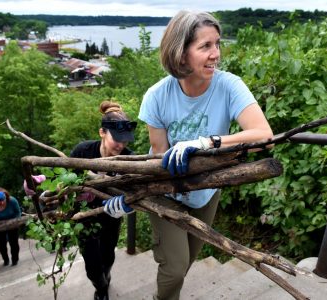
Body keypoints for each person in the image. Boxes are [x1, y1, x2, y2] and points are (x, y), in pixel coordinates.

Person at [138, 11, 274, 300]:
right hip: (166, 191)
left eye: (217, 44)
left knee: (185, 265)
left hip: (205, 191)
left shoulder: (228, 86)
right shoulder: (157, 96)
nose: (216, 54)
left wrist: (207, 142)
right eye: (205, 47)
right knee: (174, 269)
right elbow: (159, 158)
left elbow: (264, 136)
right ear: (181, 54)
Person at [24, 100, 135, 300]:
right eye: (117, 139)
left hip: (111, 217)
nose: (121, 145)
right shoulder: (83, 152)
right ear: (102, 132)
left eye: (125, 140)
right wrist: (41, 185)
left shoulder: (129, 159)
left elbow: (135, 192)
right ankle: (101, 289)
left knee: (108, 257)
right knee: (92, 267)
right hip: (83, 218)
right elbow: (62, 181)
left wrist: (126, 203)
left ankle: (106, 277)